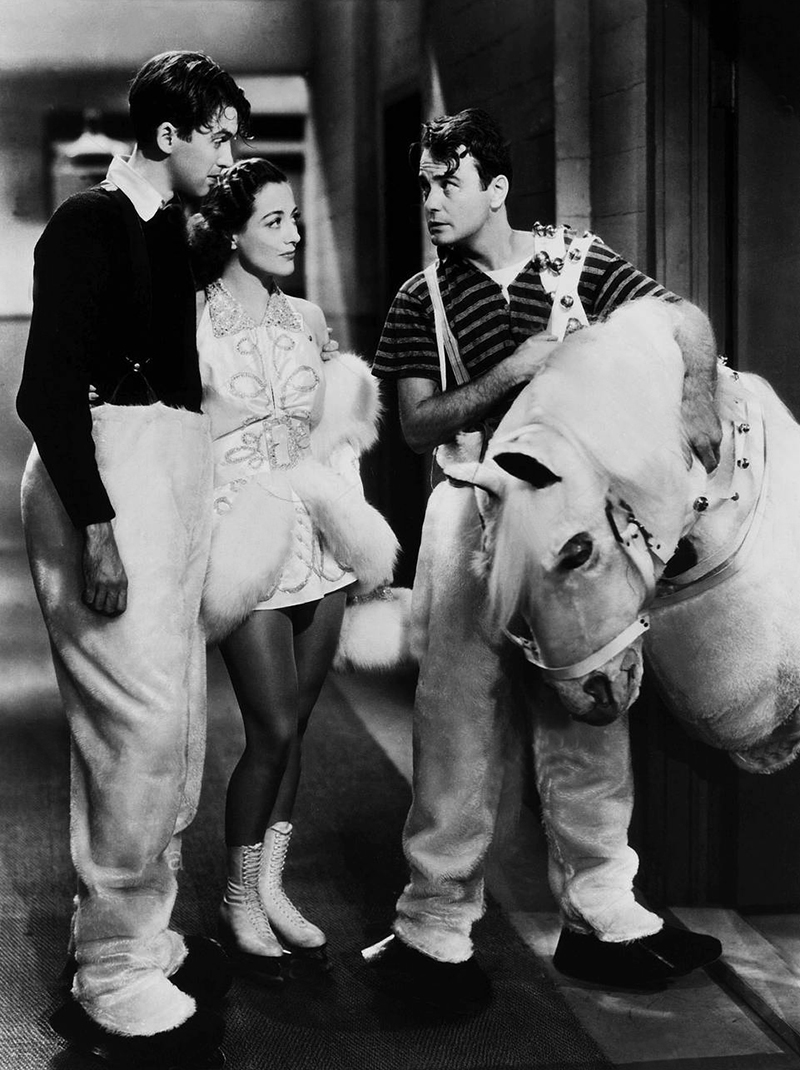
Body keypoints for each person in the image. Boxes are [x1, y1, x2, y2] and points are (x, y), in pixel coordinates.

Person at [364, 108, 724, 1015]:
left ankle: (603, 910)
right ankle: (434, 924)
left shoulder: (577, 261)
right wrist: (513, 370)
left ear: (496, 187)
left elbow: (681, 317)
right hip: (473, 516)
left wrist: (696, 397)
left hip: (573, 523)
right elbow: (415, 426)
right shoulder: (420, 298)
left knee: (588, 706)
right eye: (423, 184)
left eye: (448, 182)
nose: (431, 200)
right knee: (457, 721)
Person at [17, 52, 250, 1069]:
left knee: (174, 728)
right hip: (103, 491)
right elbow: (45, 391)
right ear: (168, 134)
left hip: (164, 489)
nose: (230, 154)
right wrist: (98, 526)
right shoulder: (88, 223)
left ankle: (143, 934)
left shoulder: (166, 231)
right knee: (136, 729)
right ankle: (110, 967)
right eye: (220, 135)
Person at [188, 159, 398, 984]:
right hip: (243, 542)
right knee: (271, 729)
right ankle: (238, 899)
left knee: (298, 727)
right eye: (274, 220)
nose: (294, 234)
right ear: (233, 230)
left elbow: (338, 440)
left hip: (320, 541)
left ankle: (271, 888)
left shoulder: (308, 318)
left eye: (294, 218)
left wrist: (358, 538)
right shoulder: (190, 317)